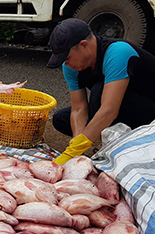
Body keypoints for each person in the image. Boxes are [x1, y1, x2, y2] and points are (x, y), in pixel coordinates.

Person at [47, 18, 155, 164]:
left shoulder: (118, 52)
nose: (67, 64)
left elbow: (109, 110)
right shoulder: (70, 66)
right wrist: (77, 144)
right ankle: (110, 137)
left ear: (84, 45)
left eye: (68, 58)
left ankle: (124, 143)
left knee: (99, 92)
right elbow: (78, 108)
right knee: (61, 118)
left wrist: (74, 150)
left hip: (148, 108)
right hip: (120, 107)